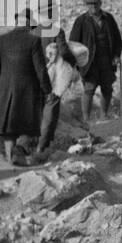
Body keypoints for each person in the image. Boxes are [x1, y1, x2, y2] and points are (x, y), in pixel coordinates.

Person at [0, 10, 51, 165]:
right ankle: (19, 153)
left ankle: (11, 160)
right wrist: (47, 89)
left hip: (4, 89)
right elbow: (40, 69)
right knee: (26, 124)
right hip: (27, 89)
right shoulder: (34, 41)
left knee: (8, 126)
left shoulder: (0, 40)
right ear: (29, 23)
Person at [69, 0, 122, 132]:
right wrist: (77, 63)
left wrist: (116, 55)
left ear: (100, 3)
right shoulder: (81, 21)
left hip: (107, 61)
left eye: (96, 3)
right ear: (86, 5)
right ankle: (86, 120)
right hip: (89, 63)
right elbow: (74, 44)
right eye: (90, 4)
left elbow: (117, 40)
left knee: (107, 89)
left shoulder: (108, 19)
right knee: (89, 89)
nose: (93, 6)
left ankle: (104, 115)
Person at [34, 27, 82, 162]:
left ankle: (25, 146)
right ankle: (41, 147)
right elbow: (64, 52)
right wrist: (74, 64)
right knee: (50, 110)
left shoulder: (31, 30)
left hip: (32, 77)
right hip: (51, 77)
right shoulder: (55, 31)